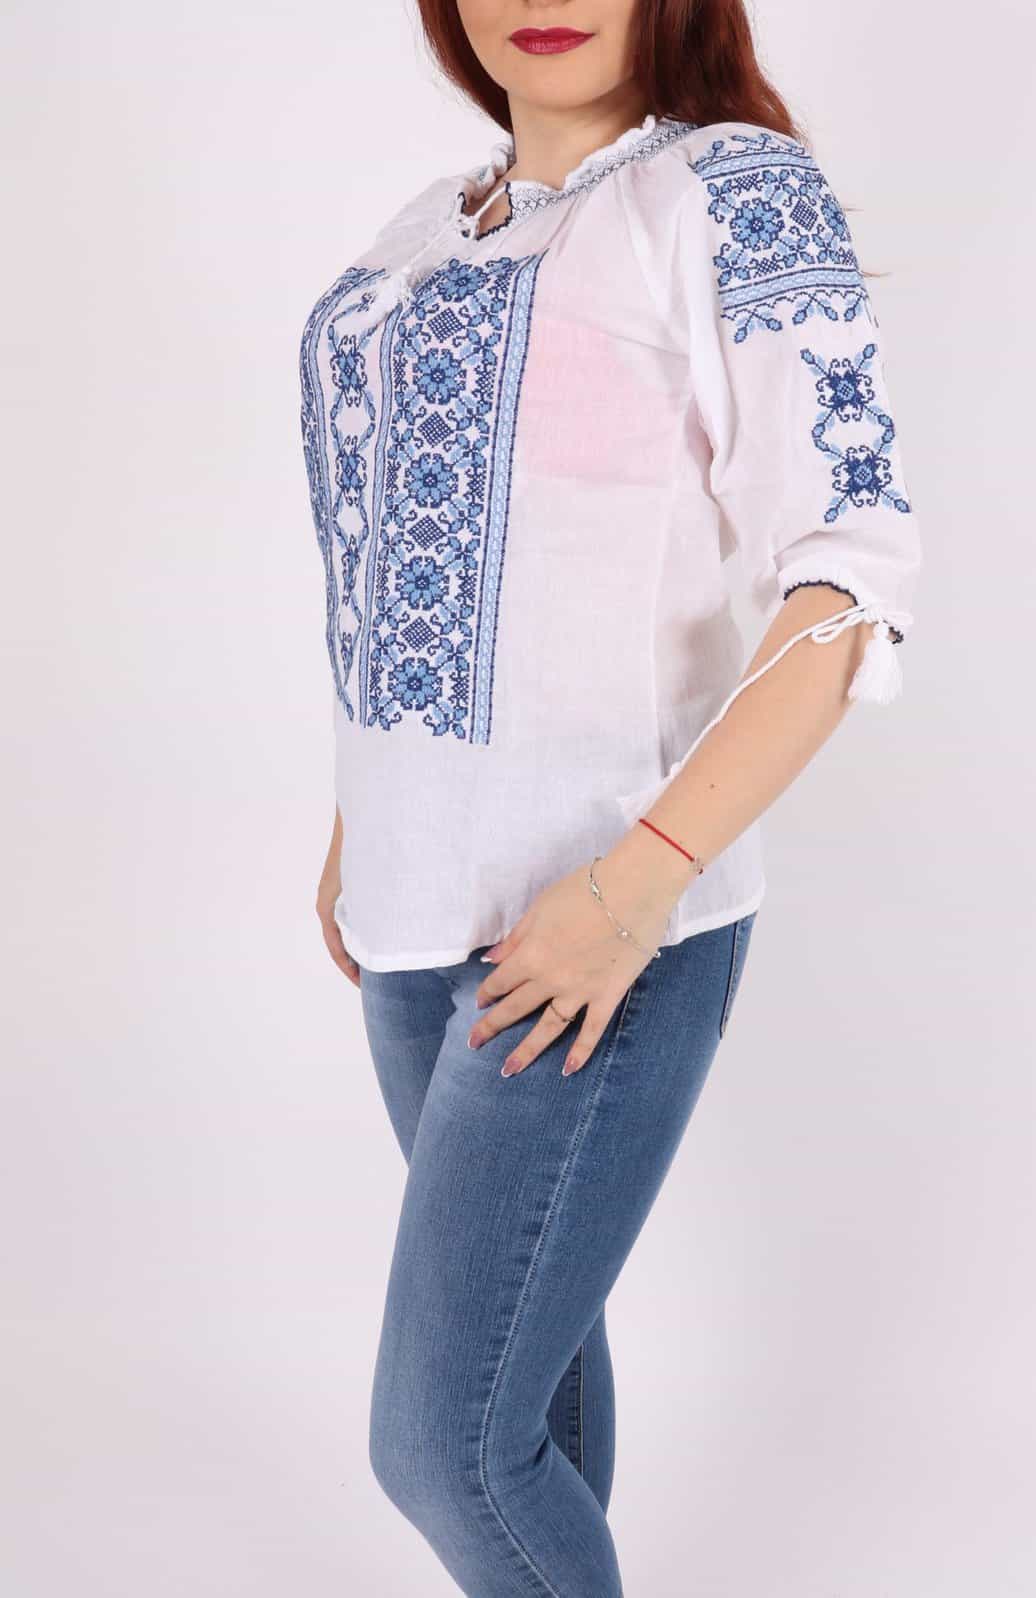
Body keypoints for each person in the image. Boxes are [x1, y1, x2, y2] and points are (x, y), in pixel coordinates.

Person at [298, 2, 920, 1591]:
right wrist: (366, 811)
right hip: (415, 926)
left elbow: (845, 581)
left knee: (445, 1441)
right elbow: (411, 559)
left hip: (605, 925)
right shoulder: (429, 228)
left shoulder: (729, 192)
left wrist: (633, 886)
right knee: (531, 1395)